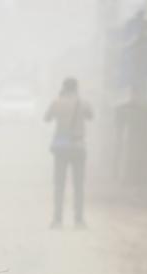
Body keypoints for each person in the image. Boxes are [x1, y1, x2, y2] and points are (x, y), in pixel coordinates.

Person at [45, 77, 92, 228]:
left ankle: (58, 220)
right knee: (78, 185)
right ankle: (78, 220)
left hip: (62, 148)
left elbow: (46, 118)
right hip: (78, 147)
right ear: (76, 88)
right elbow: (91, 115)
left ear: (64, 87)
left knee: (59, 185)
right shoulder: (82, 103)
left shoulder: (57, 102)